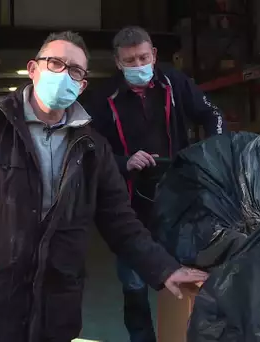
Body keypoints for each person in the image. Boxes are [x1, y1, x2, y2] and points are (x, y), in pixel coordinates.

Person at [0, 31, 208, 342]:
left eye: (75, 71)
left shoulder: (92, 146)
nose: (64, 74)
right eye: (55, 63)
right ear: (33, 69)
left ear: (81, 85)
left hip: (56, 308)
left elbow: (120, 221)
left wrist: (165, 269)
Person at [83, 26, 226, 342]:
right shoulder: (102, 98)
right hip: (129, 203)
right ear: (118, 63)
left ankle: (186, 333)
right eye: (130, 60)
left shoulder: (174, 83)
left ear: (154, 56)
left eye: (143, 58)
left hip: (180, 200)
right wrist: (124, 161)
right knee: (134, 282)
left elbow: (211, 113)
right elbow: (88, 146)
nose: (138, 65)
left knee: (188, 274)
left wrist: (211, 153)